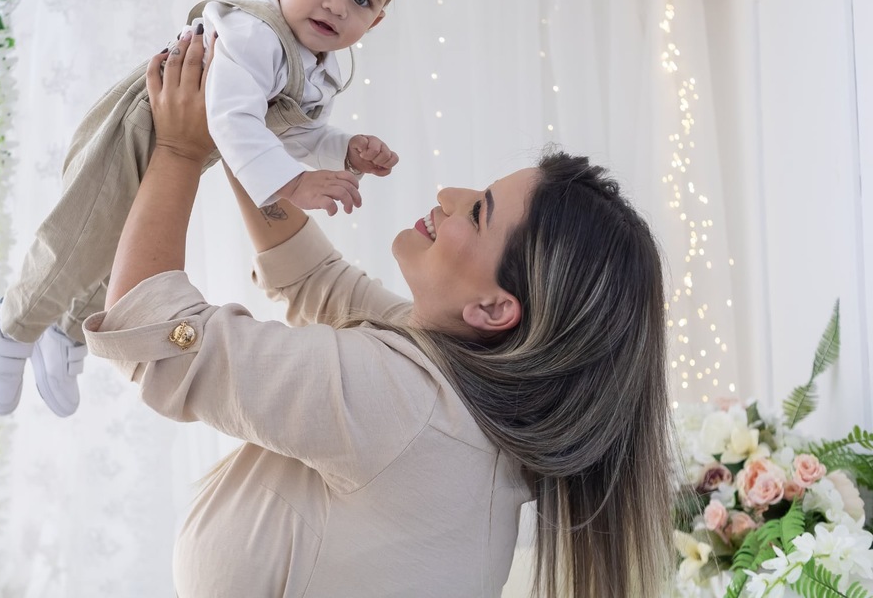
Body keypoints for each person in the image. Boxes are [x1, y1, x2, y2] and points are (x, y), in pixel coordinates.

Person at [84, 32, 676, 595]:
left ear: (495, 308)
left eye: (478, 214)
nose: (449, 196)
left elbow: (156, 335)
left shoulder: (407, 407)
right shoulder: (461, 391)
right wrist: (247, 136)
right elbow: (316, 281)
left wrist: (179, 149)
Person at [0, 0, 411, 419]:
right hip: (135, 128)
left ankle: (66, 335)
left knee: (119, 248)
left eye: (362, 0)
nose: (337, 4)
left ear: (377, 20)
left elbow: (288, 134)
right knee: (80, 239)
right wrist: (293, 185)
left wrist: (345, 150)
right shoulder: (255, 36)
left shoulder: (319, 67)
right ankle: (11, 324)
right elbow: (233, 119)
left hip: (180, 145)